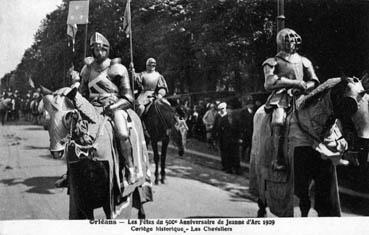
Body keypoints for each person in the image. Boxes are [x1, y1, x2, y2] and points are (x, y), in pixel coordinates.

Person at [55, 32, 135, 187]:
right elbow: (83, 94)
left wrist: (112, 107)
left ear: (107, 48)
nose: (98, 52)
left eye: (101, 48)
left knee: (122, 133)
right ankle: (70, 172)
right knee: (72, 128)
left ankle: (130, 167)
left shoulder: (118, 68)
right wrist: (74, 90)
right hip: (92, 107)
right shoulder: (87, 70)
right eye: (94, 48)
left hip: (114, 107)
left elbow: (128, 98)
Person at [262, 28, 319, 170]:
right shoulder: (272, 61)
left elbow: (314, 80)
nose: (292, 43)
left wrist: (306, 86)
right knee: (278, 120)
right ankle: (277, 158)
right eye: (289, 40)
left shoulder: (304, 61)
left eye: (294, 40)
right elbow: (269, 83)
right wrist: (294, 83)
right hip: (281, 96)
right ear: (282, 42)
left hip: (302, 95)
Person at [213, 102, 241, 174]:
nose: (229, 111)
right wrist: (219, 139)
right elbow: (219, 130)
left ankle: (237, 169)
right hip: (226, 140)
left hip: (234, 140)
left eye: (230, 110)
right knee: (227, 155)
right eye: (228, 110)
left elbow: (238, 129)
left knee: (235, 155)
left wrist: (239, 138)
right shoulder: (223, 119)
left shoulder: (236, 119)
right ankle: (229, 168)